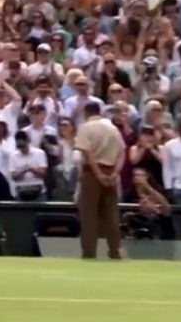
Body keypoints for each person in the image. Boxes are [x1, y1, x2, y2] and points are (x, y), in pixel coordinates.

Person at [74, 102, 125, 259]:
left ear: (86, 113)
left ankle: (89, 253)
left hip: (92, 173)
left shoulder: (85, 127)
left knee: (88, 215)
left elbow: (87, 154)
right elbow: (122, 152)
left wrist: (98, 174)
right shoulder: (113, 128)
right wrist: (115, 173)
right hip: (111, 171)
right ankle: (115, 251)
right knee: (111, 215)